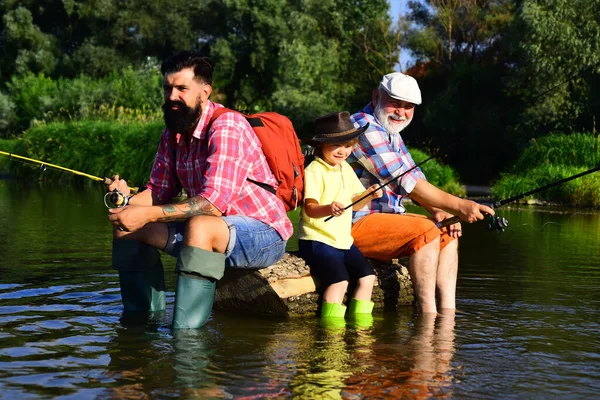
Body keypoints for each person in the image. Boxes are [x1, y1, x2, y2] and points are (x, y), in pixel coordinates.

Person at [106, 51, 293, 329]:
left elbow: (212, 204)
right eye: (168, 88)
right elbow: (158, 191)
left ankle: (187, 336)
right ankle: (142, 323)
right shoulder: (172, 132)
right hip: (211, 228)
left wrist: (148, 215)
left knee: (200, 225)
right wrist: (125, 201)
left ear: (204, 92)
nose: (172, 96)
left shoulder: (227, 125)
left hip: (263, 233)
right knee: (126, 226)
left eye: (182, 88)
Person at [348, 72, 494, 314]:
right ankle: (428, 315)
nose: (401, 112)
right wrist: (459, 205)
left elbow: (414, 176)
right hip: (352, 223)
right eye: (395, 103)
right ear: (376, 97)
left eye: (408, 107)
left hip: (385, 220)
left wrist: (438, 211)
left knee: (448, 229)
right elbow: (406, 181)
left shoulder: (392, 133)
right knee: (426, 230)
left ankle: (448, 313)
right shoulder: (363, 126)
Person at [298, 111, 383, 326]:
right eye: (336, 146)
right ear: (321, 146)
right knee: (340, 280)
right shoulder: (315, 170)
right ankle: (331, 336)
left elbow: (356, 202)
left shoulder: (346, 168)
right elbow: (310, 209)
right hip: (317, 240)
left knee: (368, 278)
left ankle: (361, 329)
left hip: (343, 241)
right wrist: (329, 208)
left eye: (347, 145)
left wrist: (369, 194)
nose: (343, 151)